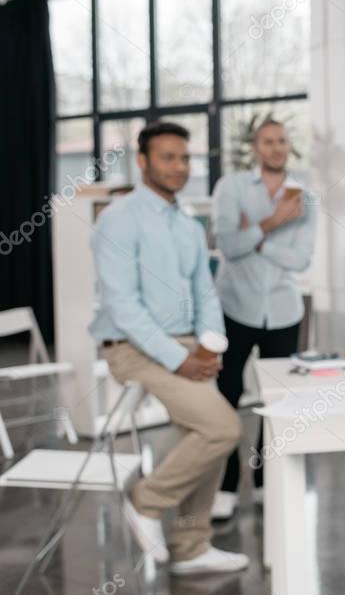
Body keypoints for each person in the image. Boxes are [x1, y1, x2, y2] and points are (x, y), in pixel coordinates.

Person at [89, 121, 248, 575]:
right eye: (167, 157)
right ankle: (146, 499)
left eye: (184, 158)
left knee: (203, 433)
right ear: (142, 162)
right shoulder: (118, 220)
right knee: (222, 428)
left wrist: (209, 343)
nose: (179, 167)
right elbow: (123, 307)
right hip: (131, 346)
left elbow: (206, 291)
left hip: (185, 343)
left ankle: (190, 546)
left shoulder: (187, 223)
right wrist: (181, 359)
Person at [209, 119, 317, 520]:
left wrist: (254, 236)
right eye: (267, 142)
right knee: (226, 397)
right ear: (255, 147)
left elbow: (302, 259)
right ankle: (225, 485)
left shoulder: (306, 198)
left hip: (285, 312)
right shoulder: (231, 188)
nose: (275, 148)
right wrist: (274, 224)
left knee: (278, 402)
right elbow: (227, 246)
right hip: (235, 308)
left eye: (282, 142)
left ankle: (263, 480)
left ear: (288, 147)